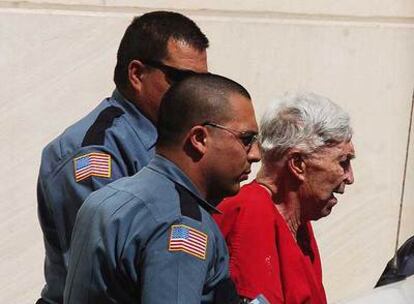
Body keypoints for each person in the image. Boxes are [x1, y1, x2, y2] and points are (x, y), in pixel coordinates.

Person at [36, 11, 209, 304]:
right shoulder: (94, 151)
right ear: (137, 74)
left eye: (203, 83)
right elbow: (112, 261)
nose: (194, 94)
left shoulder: (175, 140)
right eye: (181, 79)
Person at [63, 74, 261, 303]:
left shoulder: (109, 197)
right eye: (246, 139)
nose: (255, 154)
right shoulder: (183, 223)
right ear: (199, 138)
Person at [214, 91, 356, 304]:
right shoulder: (251, 212)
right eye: (343, 162)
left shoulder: (298, 221)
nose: (350, 177)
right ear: (298, 164)